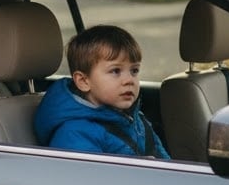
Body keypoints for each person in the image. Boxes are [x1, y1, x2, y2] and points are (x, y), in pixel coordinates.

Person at [33, 24, 170, 159]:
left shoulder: (135, 119)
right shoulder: (74, 133)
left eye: (134, 71)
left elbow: (165, 161)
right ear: (83, 81)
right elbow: (88, 173)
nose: (129, 80)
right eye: (115, 71)